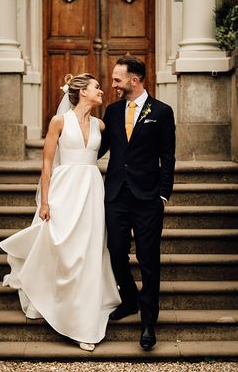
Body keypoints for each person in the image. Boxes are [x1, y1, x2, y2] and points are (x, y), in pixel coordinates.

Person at [0, 73, 120, 352]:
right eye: (97, 87)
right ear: (81, 92)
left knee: (88, 251)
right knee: (63, 246)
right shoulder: (59, 122)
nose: (102, 91)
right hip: (64, 189)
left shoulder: (101, 124)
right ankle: (52, 300)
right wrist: (44, 201)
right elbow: (47, 163)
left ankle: (83, 320)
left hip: (91, 189)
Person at [98, 56, 175, 351]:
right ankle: (128, 299)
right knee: (116, 252)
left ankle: (148, 322)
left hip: (147, 198)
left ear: (135, 80)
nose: (113, 85)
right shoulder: (113, 111)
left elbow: (168, 155)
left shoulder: (162, 112)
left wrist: (163, 193)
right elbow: (99, 147)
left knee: (148, 259)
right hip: (116, 195)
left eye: (118, 80)